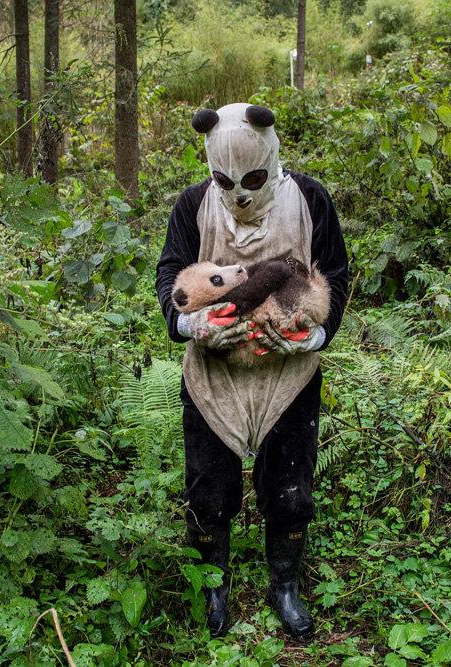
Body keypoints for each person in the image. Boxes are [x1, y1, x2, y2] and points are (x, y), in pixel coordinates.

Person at [155, 103, 349, 640]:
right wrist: (190, 325)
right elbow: (171, 272)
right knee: (209, 490)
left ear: (271, 155)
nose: (239, 194)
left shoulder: (309, 199)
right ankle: (214, 584)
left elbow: (335, 271)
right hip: (213, 374)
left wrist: (316, 334)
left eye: (253, 179)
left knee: (290, 490)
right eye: (225, 180)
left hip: (288, 376)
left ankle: (283, 583)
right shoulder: (194, 204)